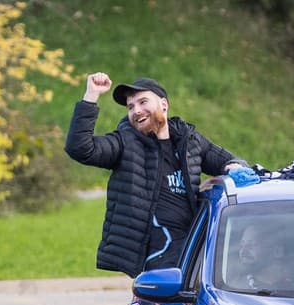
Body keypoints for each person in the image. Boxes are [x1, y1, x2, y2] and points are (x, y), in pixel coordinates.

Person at [65, 72, 248, 278]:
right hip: (158, 261)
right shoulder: (125, 142)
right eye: (131, 107)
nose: (136, 111)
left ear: (163, 104)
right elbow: (80, 148)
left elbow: (229, 161)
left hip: (194, 254)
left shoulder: (189, 140)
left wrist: (236, 166)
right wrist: (91, 95)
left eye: (143, 102)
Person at [230, 224, 291, 290]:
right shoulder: (234, 288)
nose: (243, 251)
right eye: (242, 244)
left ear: (276, 251)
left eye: (251, 244)